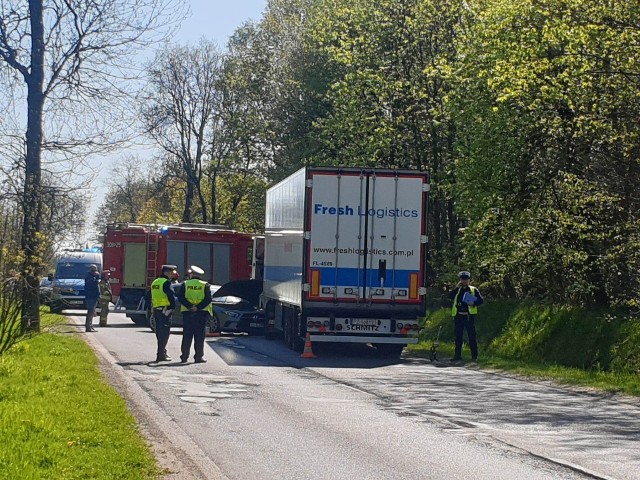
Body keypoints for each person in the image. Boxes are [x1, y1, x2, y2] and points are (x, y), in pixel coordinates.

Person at [177, 265, 212, 364]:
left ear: (191, 274)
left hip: (188, 313)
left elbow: (181, 298)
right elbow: (208, 299)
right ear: (200, 276)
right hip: (201, 313)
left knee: (187, 335)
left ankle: (184, 357)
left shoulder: (185, 284)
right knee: (199, 336)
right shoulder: (205, 285)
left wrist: (190, 306)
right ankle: (198, 357)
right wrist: (198, 307)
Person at [448, 271, 484, 362]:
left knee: (472, 337)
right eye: (462, 279)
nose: (464, 281)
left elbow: (481, 300)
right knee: (458, 337)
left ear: (469, 280)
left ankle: (474, 357)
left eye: (466, 279)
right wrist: (456, 287)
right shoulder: (458, 290)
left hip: (468, 317)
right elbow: (450, 296)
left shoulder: (473, 290)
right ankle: (457, 356)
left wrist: (473, 302)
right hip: (458, 316)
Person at [150, 265, 177, 362]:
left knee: (159, 332)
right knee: (164, 333)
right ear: (166, 272)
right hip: (165, 311)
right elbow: (171, 296)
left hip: (156, 310)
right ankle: (161, 354)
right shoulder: (166, 283)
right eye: (170, 273)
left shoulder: (155, 282)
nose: (171, 275)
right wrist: (172, 307)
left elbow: (148, 296)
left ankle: (161, 352)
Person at [84, 264, 100, 332]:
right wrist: (95, 279)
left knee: (92, 311)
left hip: (94, 296)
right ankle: (88, 327)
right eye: (94, 270)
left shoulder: (93, 276)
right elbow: (92, 285)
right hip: (91, 296)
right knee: (90, 312)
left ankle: (90, 326)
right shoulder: (89, 277)